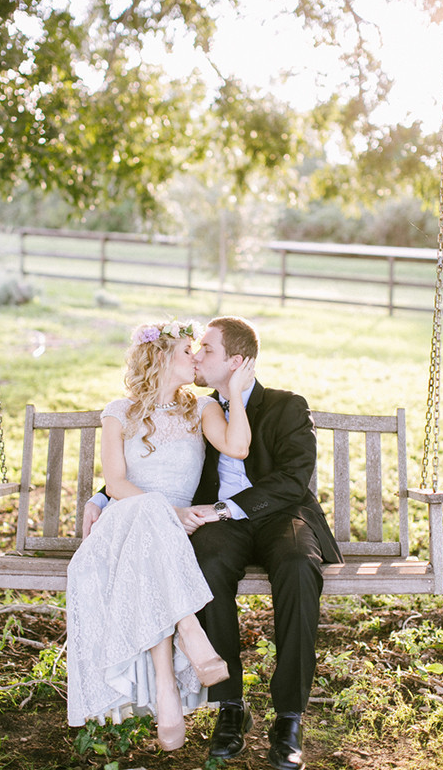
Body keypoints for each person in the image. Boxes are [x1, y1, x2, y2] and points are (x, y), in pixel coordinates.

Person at [66, 319, 255, 753]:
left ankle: (167, 689)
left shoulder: (202, 409)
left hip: (165, 535)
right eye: (188, 351)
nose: (197, 357)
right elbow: (115, 485)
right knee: (147, 514)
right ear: (161, 358)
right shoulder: (119, 411)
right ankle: (188, 628)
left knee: (150, 551)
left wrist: (237, 398)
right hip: (130, 519)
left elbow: (238, 447)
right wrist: (169, 513)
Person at [189, 316, 343, 770]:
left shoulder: (287, 405)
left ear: (237, 362)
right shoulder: (198, 409)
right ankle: (230, 707)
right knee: (208, 559)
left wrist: (225, 509)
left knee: (299, 565)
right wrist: (104, 494)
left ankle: (289, 716)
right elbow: (151, 454)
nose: (197, 356)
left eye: (207, 350)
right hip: (223, 525)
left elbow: (293, 480)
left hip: (281, 516)